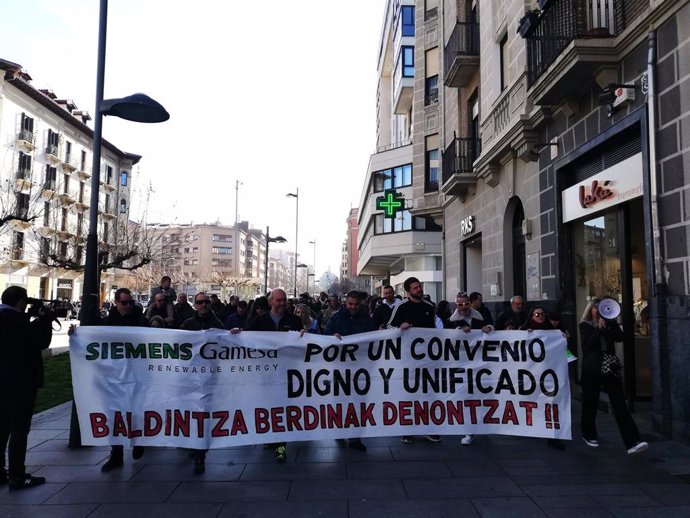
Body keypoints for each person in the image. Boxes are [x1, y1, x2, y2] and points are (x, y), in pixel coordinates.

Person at [82, 288, 148, 472]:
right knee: (115, 415)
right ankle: (116, 454)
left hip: (136, 374)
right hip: (114, 376)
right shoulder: (107, 322)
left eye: (130, 302)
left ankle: (138, 442)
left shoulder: (140, 320)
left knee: (136, 412)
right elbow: (91, 338)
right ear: (116, 302)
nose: (128, 306)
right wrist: (76, 334)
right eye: (124, 302)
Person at [0, 287, 53, 490]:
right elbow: (40, 342)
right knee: (19, 430)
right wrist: (45, 320)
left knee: (2, 428)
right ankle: (17, 475)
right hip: (20, 383)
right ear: (21, 302)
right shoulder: (17, 322)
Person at [579, 300, 648, 455]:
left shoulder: (609, 324)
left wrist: (612, 323)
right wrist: (598, 329)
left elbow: (620, 337)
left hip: (609, 368)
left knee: (619, 405)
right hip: (592, 370)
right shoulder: (585, 326)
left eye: (600, 308)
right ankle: (588, 434)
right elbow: (588, 345)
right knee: (590, 403)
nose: (598, 311)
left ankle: (632, 441)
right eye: (596, 308)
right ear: (590, 310)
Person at [244, 289, 302, 462]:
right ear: (270, 302)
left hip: (287, 373)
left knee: (283, 409)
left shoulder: (294, 320)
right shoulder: (259, 320)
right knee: (268, 407)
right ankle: (271, 438)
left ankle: (281, 445)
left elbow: (302, 343)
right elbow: (246, 338)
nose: (282, 303)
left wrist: (303, 336)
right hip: (266, 374)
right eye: (279, 300)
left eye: (284, 300)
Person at [387, 277, 441, 444]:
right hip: (408, 359)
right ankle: (407, 429)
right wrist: (399, 328)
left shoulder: (430, 307)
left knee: (428, 393)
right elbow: (388, 326)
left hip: (427, 358)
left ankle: (428, 427)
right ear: (408, 291)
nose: (419, 290)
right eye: (416, 288)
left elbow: (434, 330)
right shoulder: (401, 307)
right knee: (409, 393)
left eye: (420, 286)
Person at [323, 290, 376, 452]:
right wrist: (333, 335)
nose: (353, 307)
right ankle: (340, 430)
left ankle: (355, 437)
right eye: (350, 304)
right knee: (340, 401)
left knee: (358, 403)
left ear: (360, 304)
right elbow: (325, 335)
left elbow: (373, 339)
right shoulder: (337, 317)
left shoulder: (366, 319)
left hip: (360, 368)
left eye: (356, 304)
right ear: (346, 302)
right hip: (340, 367)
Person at [180, 292, 225, 474]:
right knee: (192, 412)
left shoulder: (218, 324)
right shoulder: (188, 324)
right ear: (195, 305)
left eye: (207, 302)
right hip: (191, 376)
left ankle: (200, 452)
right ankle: (195, 447)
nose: (204, 305)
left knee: (203, 413)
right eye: (200, 302)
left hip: (210, 376)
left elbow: (227, 342)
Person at [448, 292, 493, 446]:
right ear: (456, 305)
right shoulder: (452, 320)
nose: (463, 307)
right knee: (464, 396)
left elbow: (493, 327)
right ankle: (468, 430)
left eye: (466, 304)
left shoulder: (480, 315)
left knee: (480, 394)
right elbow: (445, 338)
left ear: (469, 303)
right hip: (460, 365)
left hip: (480, 363)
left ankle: (479, 425)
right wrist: (458, 332)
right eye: (460, 305)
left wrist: (489, 328)